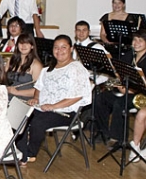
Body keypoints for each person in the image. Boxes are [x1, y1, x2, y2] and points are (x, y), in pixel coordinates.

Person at [16, 35, 92, 164]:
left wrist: (53, 106)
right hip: (44, 108)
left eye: (63, 47)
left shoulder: (77, 69)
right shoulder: (48, 69)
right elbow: (39, 87)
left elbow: (77, 95)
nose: (59, 51)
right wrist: (35, 98)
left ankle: (30, 154)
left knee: (37, 121)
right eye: (56, 47)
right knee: (19, 114)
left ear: (71, 49)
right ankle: (19, 151)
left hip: (65, 113)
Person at [93, 30, 146, 143]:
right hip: (126, 90)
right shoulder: (129, 55)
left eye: (140, 41)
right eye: (134, 40)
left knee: (120, 103)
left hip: (141, 96)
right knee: (101, 97)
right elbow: (118, 72)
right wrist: (119, 83)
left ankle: (118, 138)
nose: (136, 43)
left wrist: (129, 90)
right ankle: (102, 132)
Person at [6, 33, 43, 101]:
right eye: (21, 43)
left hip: (23, 101)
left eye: (27, 43)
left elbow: (38, 90)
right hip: (7, 97)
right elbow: (2, 79)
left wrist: (17, 92)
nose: (23, 46)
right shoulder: (11, 60)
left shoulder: (36, 65)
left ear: (32, 46)